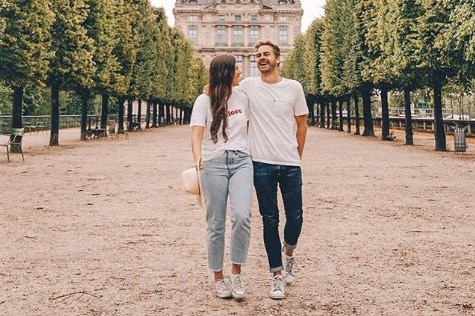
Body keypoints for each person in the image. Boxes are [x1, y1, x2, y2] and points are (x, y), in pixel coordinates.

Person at [239, 40, 308, 300]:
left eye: (266, 54)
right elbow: (221, 88)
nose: (261, 58)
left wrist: (296, 155)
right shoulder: (247, 86)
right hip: (261, 163)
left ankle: (289, 254)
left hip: (290, 163)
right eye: (258, 55)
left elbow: (302, 125)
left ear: (278, 59)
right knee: (270, 220)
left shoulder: (293, 88)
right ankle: (277, 275)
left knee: (296, 217)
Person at [190, 54, 253, 300]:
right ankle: (218, 277)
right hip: (213, 162)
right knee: (215, 223)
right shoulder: (203, 100)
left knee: (242, 215)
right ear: (226, 73)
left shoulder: (243, 96)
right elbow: (196, 133)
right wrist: (198, 160)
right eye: (236, 69)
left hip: (241, 160)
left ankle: (236, 271)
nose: (241, 72)